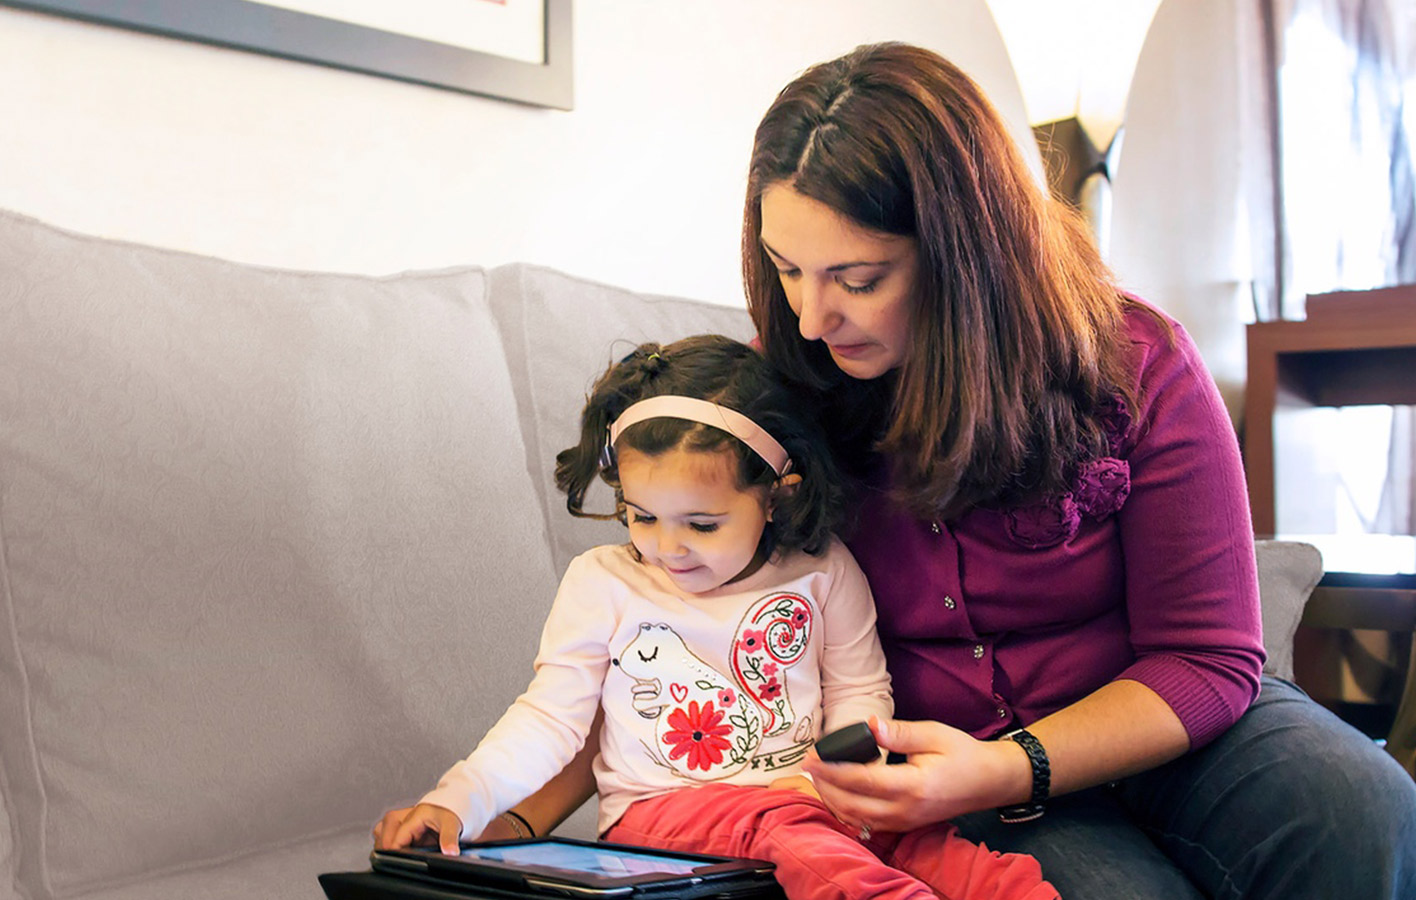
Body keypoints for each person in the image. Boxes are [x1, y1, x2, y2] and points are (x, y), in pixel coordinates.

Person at [453, 41, 1416, 900]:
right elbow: (653, 628)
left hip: (1158, 731)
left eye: (858, 280)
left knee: (1361, 804)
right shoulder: (775, 395)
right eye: (787, 269)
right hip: (939, 772)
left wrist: (1010, 767)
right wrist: (511, 814)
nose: (810, 318)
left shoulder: (1133, 363)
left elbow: (1210, 659)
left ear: (969, 256)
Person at [373, 335, 1060, 900]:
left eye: (701, 524)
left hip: (815, 802)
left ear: (774, 496)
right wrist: (459, 799)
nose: (666, 547)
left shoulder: (823, 571)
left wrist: (846, 773)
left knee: (956, 862)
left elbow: (859, 693)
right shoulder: (604, 584)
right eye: (642, 516)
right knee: (809, 852)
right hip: (666, 820)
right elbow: (551, 718)